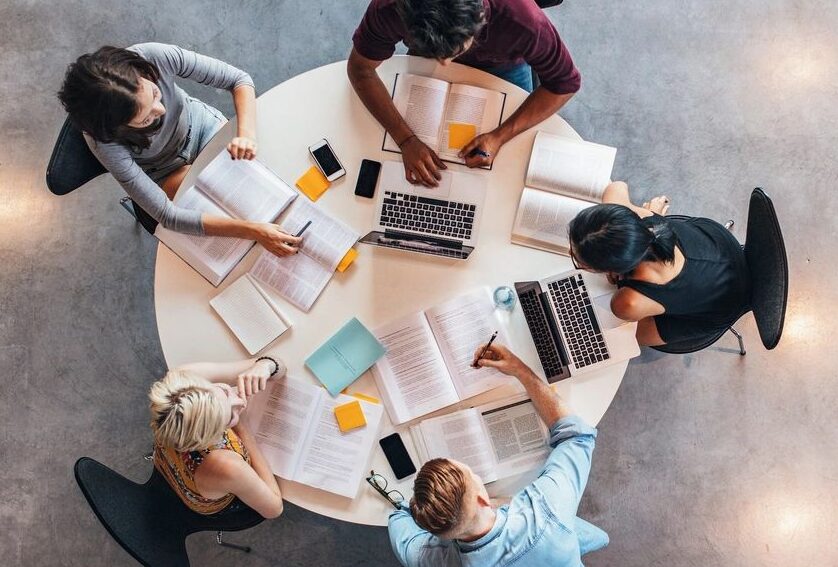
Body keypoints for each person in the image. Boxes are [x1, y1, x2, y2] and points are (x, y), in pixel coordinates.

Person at [58, 43, 300, 256]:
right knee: (230, 211)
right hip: (163, 171)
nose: (161, 110)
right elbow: (168, 215)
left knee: (265, 177)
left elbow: (239, 80)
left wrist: (246, 135)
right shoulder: (103, 141)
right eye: (145, 119)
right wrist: (253, 231)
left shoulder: (153, 56)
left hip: (203, 128)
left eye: (155, 93)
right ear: (117, 128)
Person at [388, 343, 608, 566]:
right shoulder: (545, 510)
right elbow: (576, 436)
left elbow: (398, 520)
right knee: (589, 535)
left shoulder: (428, 560)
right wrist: (520, 369)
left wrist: (421, 508)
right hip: (556, 544)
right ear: (483, 499)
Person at [348, 0, 581, 186]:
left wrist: (499, 136)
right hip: (426, 55)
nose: (444, 64)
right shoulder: (389, 7)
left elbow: (565, 83)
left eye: (454, 51)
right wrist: (406, 139)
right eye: (437, 54)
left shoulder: (524, 21)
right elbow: (360, 69)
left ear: (481, 19)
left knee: (509, 166)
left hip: (505, 64)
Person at [568, 181, 751, 346]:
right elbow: (616, 187)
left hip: (722, 307)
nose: (570, 253)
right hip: (721, 248)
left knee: (623, 339)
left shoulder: (627, 302)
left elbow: (628, 315)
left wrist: (619, 280)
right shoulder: (644, 220)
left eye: (579, 262)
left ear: (610, 269)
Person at [149, 355, 285, 518]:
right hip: (206, 500)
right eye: (229, 417)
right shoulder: (226, 464)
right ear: (211, 438)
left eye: (225, 391)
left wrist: (265, 366)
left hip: (169, 462)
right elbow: (274, 509)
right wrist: (243, 429)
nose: (240, 403)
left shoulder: (184, 378)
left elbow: (278, 365)